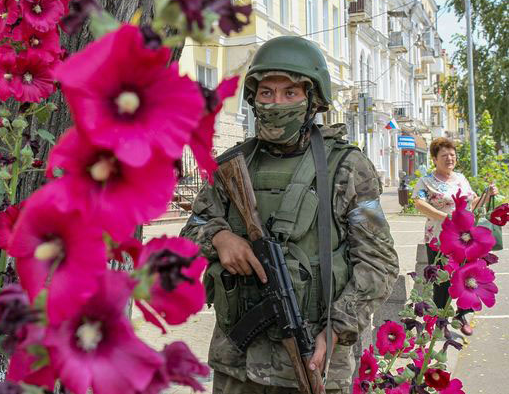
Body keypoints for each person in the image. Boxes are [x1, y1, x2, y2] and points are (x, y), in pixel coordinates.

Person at [180, 36, 399, 394]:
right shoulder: (232, 165)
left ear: (313, 99)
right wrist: (220, 238)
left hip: (313, 356)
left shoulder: (346, 167)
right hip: (237, 365)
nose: (275, 103)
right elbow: (194, 227)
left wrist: (336, 328)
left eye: (290, 93)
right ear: (253, 99)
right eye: (266, 93)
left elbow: (379, 263)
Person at [412, 137, 498, 322]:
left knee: (465, 275)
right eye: (444, 155)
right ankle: (439, 320)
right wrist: (445, 217)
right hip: (439, 237)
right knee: (441, 280)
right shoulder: (426, 182)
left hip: (466, 239)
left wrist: (487, 195)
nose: (449, 158)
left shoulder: (461, 179)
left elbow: (472, 205)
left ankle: (462, 316)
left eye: (452, 154)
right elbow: (418, 203)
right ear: (434, 159)